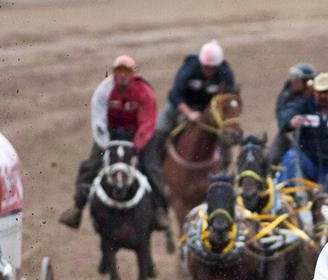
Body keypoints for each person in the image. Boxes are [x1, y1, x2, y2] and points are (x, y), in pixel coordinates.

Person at [58, 55, 169, 231]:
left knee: (152, 168)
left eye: (127, 72)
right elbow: (98, 121)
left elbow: (148, 123)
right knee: (90, 166)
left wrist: (136, 147)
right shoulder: (104, 91)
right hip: (110, 135)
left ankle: (160, 211)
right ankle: (77, 208)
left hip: (138, 135)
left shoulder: (144, 92)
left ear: (134, 74)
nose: (122, 76)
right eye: (119, 71)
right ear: (113, 73)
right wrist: (106, 145)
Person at [150, 40, 237, 162]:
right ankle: (154, 165)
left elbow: (229, 96)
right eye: (206, 67)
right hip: (182, 106)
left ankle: (225, 165)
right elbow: (176, 94)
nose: (209, 71)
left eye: (212, 68)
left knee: (226, 136)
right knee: (159, 131)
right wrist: (189, 113)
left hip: (209, 110)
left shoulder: (225, 73)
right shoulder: (190, 68)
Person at [266, 62, 315, 165]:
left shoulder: (317, 96)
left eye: (297, 79)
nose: (294, 81)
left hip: (312, 136)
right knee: (271, 159)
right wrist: (290, 123)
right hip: (287, 135)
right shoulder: (287, 94)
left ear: (307, 82)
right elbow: (281, 118)